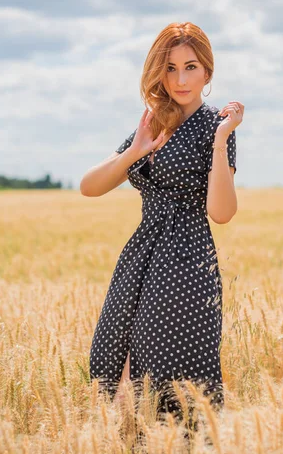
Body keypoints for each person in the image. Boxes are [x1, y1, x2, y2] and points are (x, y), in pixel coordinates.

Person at [80, 21, 244, 422]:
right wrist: (134, 151)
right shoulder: (153, 121)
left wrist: (222, 141)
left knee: (156, 368)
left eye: (190, 66)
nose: (180, 78)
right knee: (114, 356)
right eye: (170, 68)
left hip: (185, 258)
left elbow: (221, 213)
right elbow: (89, 186)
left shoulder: (214, 126)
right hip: (141, 255)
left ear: (207, 70)